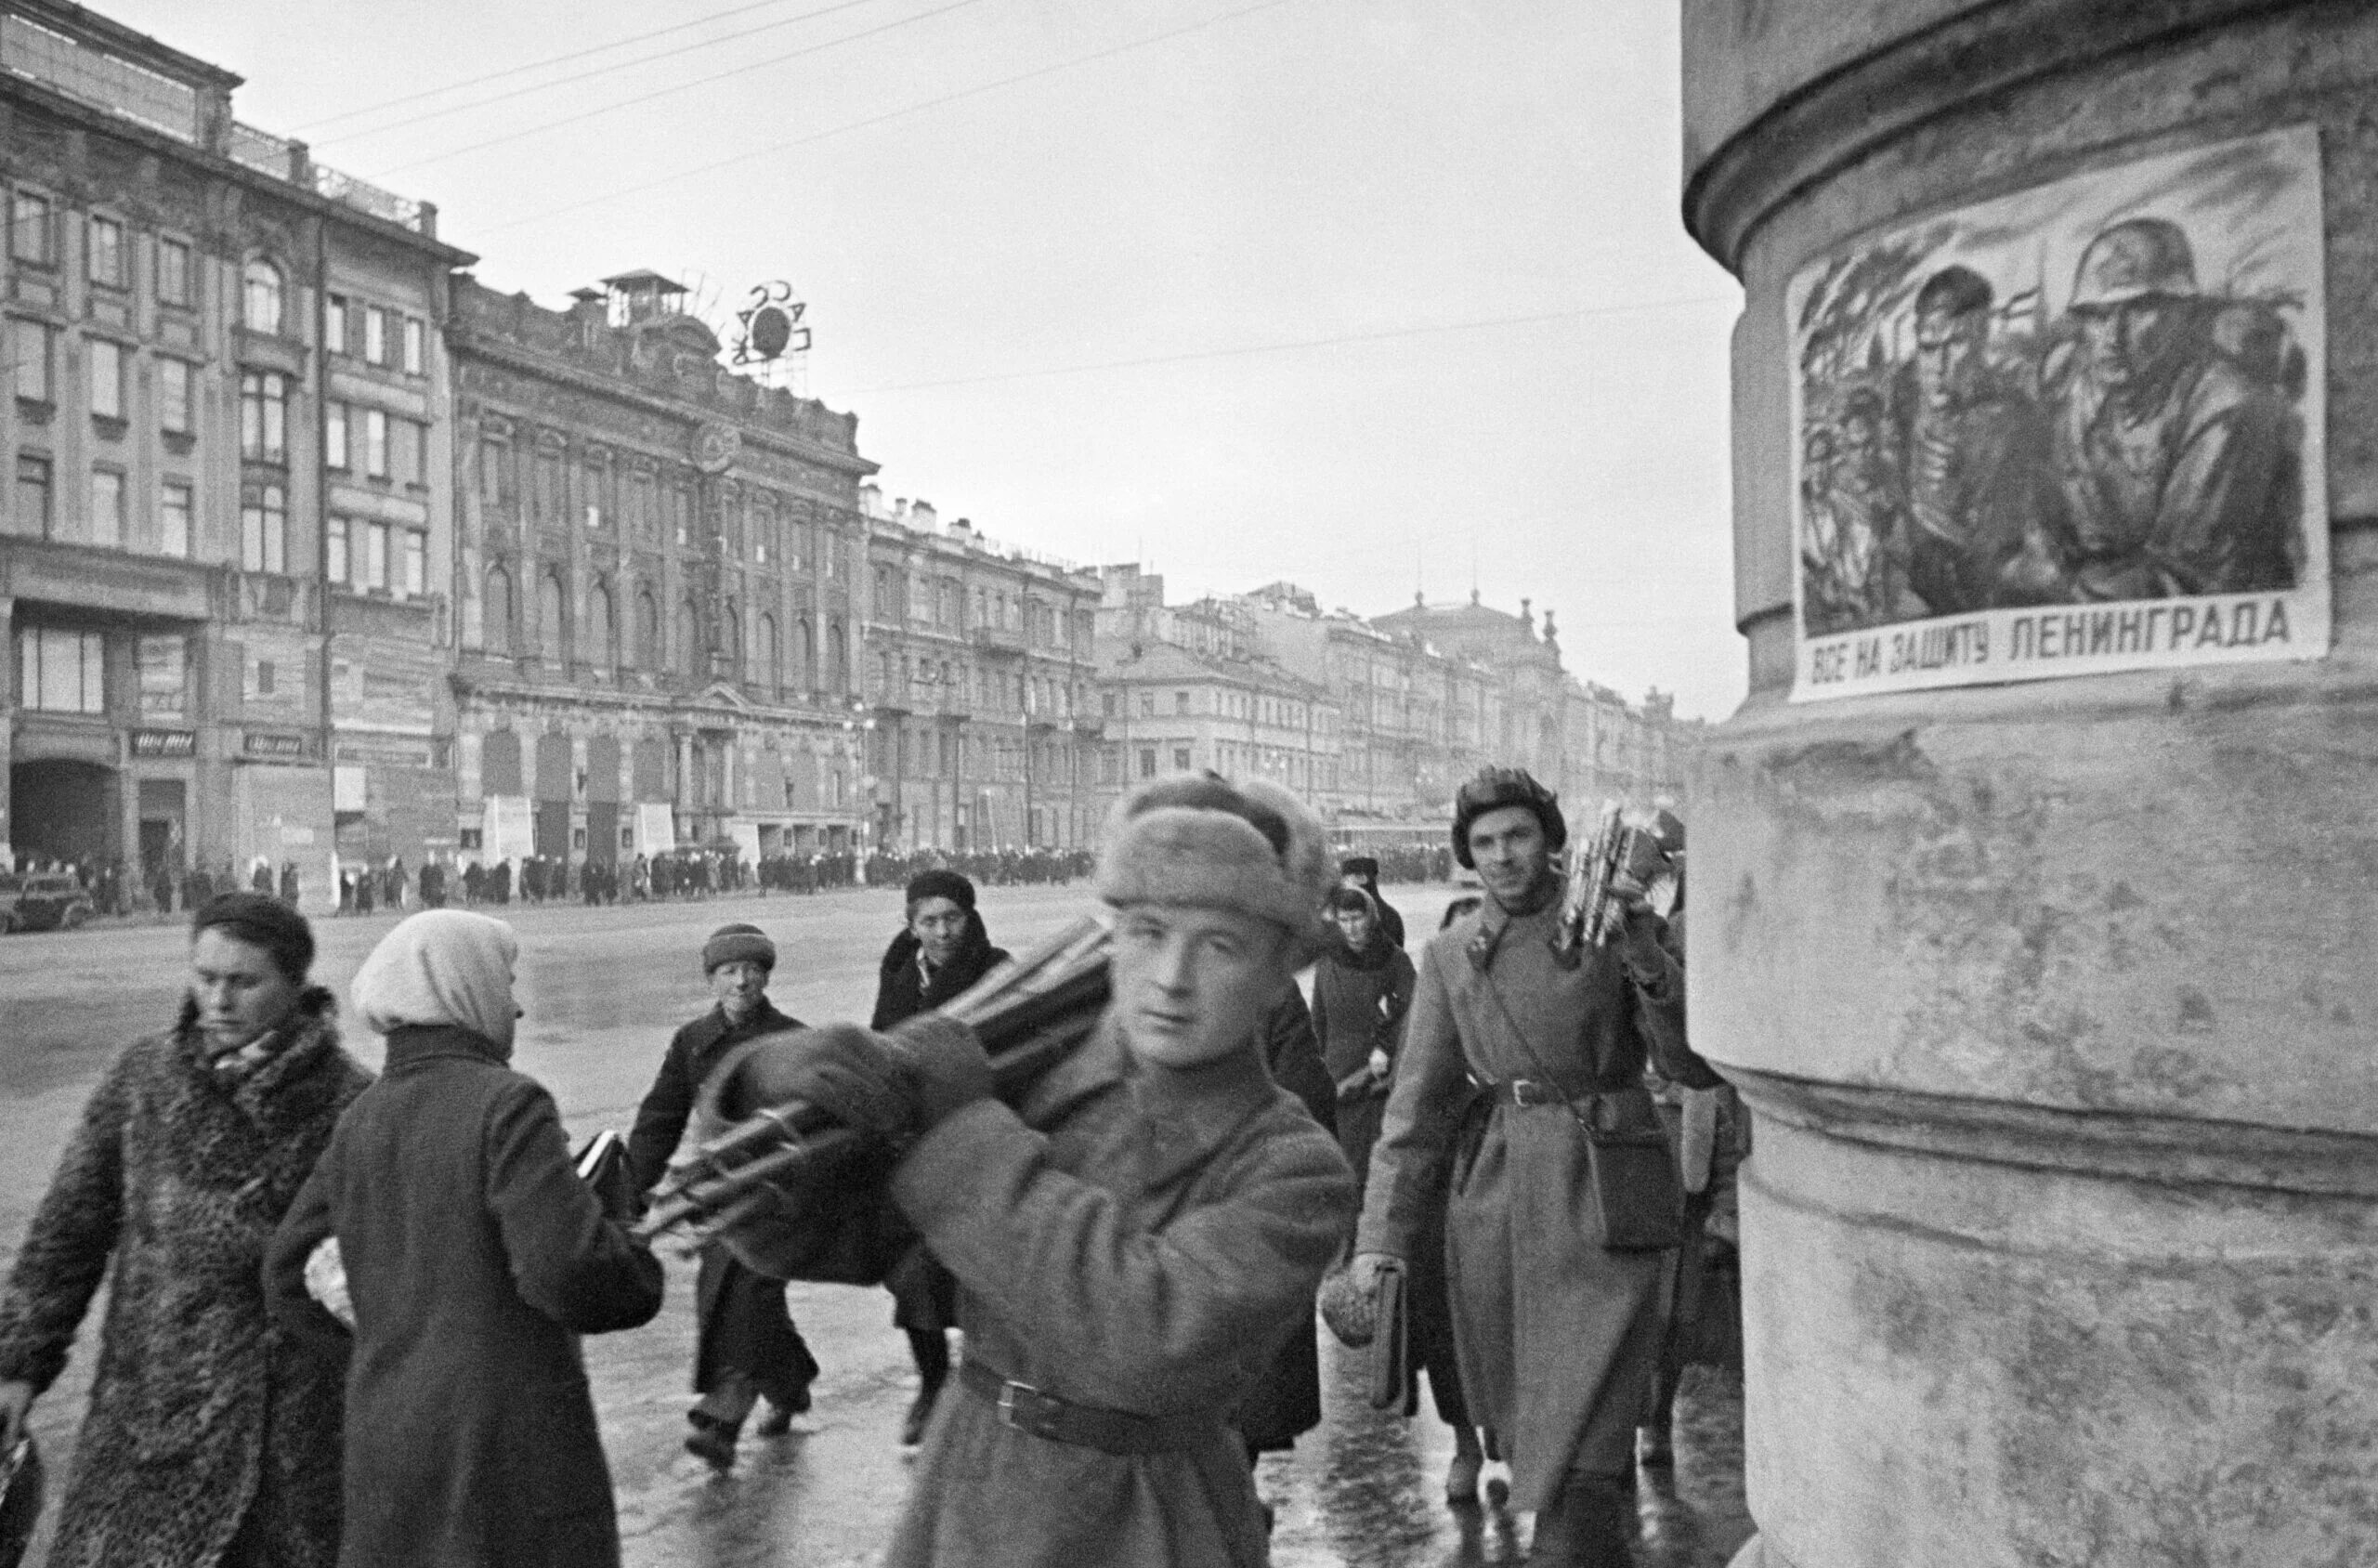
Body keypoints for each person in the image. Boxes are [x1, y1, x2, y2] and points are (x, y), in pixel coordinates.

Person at [756, 774, 1356, 1566]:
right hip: (971, 1493)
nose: (1171, 978)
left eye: (1219, 946)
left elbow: (1145, 1340)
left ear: (1279, 975)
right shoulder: (1038, 1073)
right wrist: (777, 1087)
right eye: (1147, 932)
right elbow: (833, 1240)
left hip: (1148, 1520)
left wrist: (961, 1131)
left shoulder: (1295, 1169)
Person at [1352, 767, 1720, 1564]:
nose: (1502, 855)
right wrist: (1378, 1241)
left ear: (1549, 840)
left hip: (1607, 1198)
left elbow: (1690, 1066)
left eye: (1517, 835)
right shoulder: (1453, 955)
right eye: (1484, 842)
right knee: (1542, 1445)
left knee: (1584, 1456)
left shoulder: (1606, 927)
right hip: (1498, 1213)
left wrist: (1645, 951)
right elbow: (1413, 1115)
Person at [267, 909, 663, 1568]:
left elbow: (286, 1276)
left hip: (389, 1438)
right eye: (505, 983)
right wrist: (629, 1251)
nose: (516, 1007)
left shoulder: (361, 1119)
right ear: (463, 988)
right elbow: (568, 1271)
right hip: (509, 1449)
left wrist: (389, 1351)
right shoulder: (508, 1104)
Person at [0, 892, 370, 1567]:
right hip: (148, 1414)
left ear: (295, 986)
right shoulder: (144, 1082)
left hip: (292, 1438)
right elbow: (67, 1232)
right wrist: (18, 1366)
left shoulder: (351, 1105)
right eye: (205, 977)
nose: (218, 1001)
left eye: (243, 982)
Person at [625, 922, 819, 1470]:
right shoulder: (692, 1041)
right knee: (731, 1293)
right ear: (712, 979)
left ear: (766, 976)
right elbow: (661, 1117)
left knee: (747, 1291)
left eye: (752, 970)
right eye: (729, 971)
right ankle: (789, 1382)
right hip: (716, 1191)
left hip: (778, 1195)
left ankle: (723, 1417)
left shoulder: (794, 1038)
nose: (741, 982)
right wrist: (634, 1190)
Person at [2037, 216, 2305, 601]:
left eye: (2139, 310)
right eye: (2096, 315)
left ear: (2185, 312)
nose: (2112, 336)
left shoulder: (2229, 407)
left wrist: (2059, 586)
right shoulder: (2075, 400)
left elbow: (2184, 577)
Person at [867, 870, 1012, 1446]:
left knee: (985, 1272)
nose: (943, 931)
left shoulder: (999, 970)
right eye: (929, 921)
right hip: (916, 1142)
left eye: (953, 918)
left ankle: (991, 1383)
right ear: (911, 925)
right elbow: (882, 1042)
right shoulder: (900, 975)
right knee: (912, 1270)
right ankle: (931, 1382)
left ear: (971, 918)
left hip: (982, 1135)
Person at [1889, 265, 2058, 616]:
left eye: (1956, 344)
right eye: (1928, 347)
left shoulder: (2013, 420)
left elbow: (2011, 548)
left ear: (1982, 337)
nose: (1939, 364)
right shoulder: (1904, 395)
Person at [1309, 885, 1416, 1197]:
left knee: (1374, 1163)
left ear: (1371, 917)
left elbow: (1413, 1010)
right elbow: (1318, 1018)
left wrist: (1386, 1046)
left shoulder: (1393, 960)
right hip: (1336, 1073)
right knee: (1339, 1161)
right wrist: (1317, 1069)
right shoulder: (1328, 961)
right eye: (1344, 919)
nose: (1351, 927)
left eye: (1357, 918)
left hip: (1377, 1076)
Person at [1337, 856, 1405, 947]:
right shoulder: (1392, 915)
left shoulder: (1369, 915)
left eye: (1346, 879)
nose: (1343, 884)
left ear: (1362, 878)